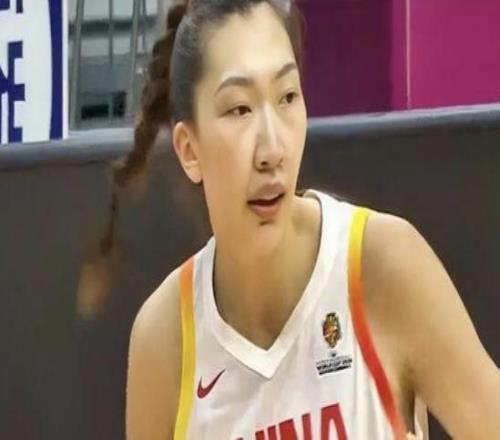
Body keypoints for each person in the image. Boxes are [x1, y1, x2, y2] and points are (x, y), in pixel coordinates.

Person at [121, 1, 500, 438]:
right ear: (190, 150)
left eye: (287, 97)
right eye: (240, 109)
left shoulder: (382, 265)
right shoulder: (164, 337)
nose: (272, 150)